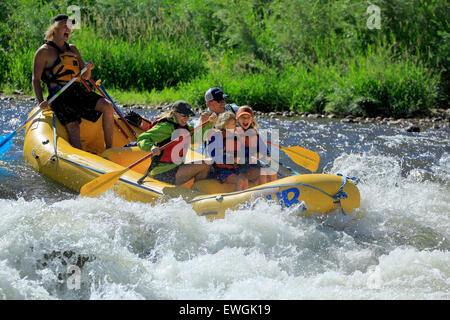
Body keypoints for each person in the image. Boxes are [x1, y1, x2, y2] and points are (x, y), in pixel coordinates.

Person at [32, 14, 114, 150]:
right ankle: (81, 160)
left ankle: (110, 150)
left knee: (108, 106)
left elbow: (85, 77)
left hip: (77, 91)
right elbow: (35, 79)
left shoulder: (73, 49)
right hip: (58, 96)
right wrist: (40, 102)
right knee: (73, 126)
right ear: (54, 29)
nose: (68, 29)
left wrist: (88, 69)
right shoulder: (43, 52)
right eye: (65, 26)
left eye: (70, 27)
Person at [136, 100, 211, 186]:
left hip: (175, 168)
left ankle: (198, 191)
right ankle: (197, 192)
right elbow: (142, 138)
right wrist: (151, 147)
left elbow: (197, 140)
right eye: (183, 115)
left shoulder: (186, 128)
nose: (186, 118)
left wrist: (206, 123)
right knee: (206, 164)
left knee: (208, 162)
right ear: (174, 113)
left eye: (188, 115)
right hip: (163, 172)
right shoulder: (166, 127)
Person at [235, 106, 277, 185]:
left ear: (252, 120)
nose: (246, 120)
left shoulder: (255, 134)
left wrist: (263, 156)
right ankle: (261, 196)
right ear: (238, 119)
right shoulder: (234, 133)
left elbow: (267, 155)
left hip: (253, 166)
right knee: (263, 173)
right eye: (243, 117)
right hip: (240, 168)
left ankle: (275, 195)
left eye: (248, 118)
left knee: (272, 172)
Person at [207, 111, 249, 191]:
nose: (236, 127)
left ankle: (246, 202)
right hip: (219, 170)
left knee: (245, 180)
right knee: (239, 181)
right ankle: (239, 201)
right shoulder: (217, 136)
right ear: (226, 126)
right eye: (233, 124)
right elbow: (214, 156)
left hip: (232, 168)